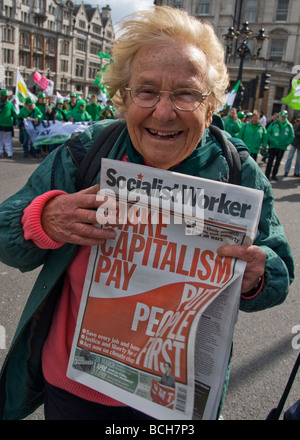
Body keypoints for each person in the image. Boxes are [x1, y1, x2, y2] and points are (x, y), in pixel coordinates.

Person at [0, 6, 294, 421]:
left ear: (211, 106)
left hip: (171, 403)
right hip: (73, 388)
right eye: (147, 91)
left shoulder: (238, 170)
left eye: (186, 94)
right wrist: (44, 218)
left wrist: (257, 276)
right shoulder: (85, 151)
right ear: (124, 96)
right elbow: (6, 236)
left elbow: (278, 272)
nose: (163, 111)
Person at [265, 110, 295, 181]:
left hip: (282, 147)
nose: (283, 118)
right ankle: (267, 175)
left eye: (284, 117)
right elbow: (268, 133)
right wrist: (272, 140)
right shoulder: (274, 123)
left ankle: (274, 175)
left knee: (278, 162)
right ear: (280, 116)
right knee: (270, 161)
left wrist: (287, 142)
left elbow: (292, 136)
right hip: (273, 146)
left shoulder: (289, 125)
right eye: (282, 116)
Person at [0, 89, 18, 158]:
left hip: (7, 124)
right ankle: (2, 152)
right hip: (2, 124)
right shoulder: (9, 104)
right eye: (4, 96)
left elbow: (14, 114)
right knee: (1, 139)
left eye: (6, 96)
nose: (5, 97)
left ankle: (9, 152)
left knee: (7, 140)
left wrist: (21, 117)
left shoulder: (10, 104)